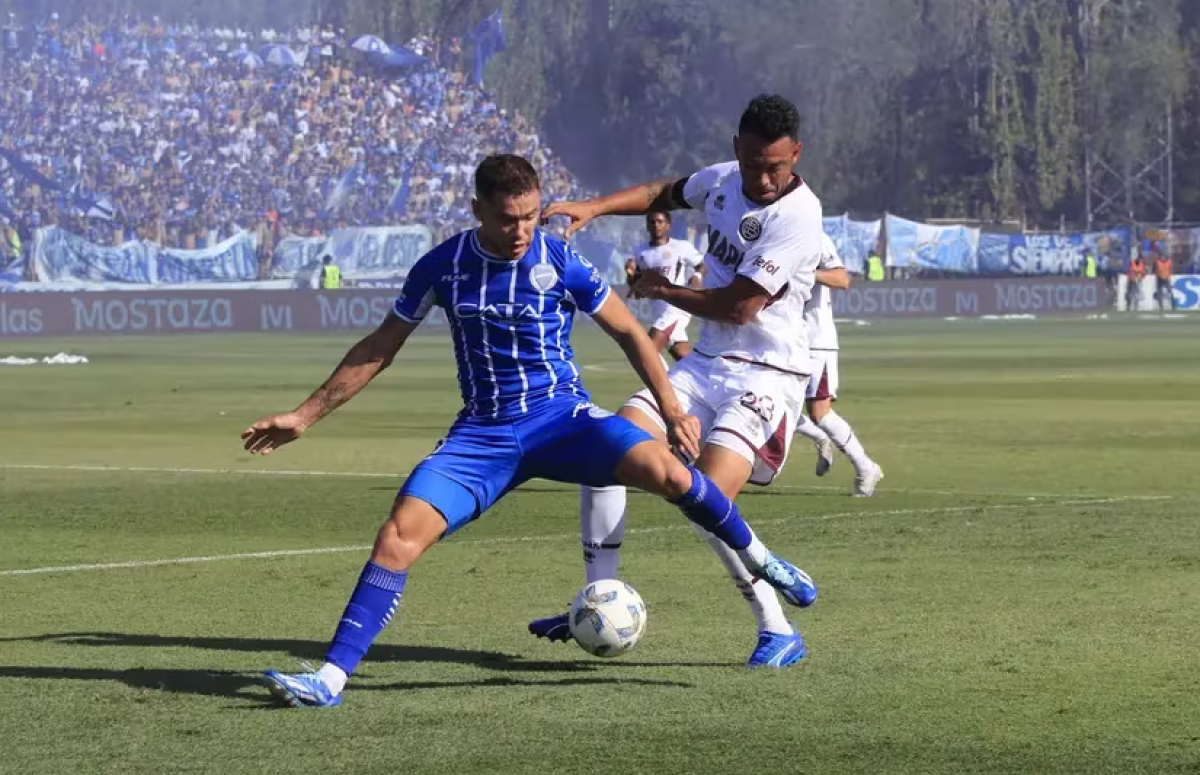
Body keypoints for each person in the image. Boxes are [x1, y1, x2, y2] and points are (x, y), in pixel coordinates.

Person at [244, 154, 817, 708]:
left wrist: (672, 409)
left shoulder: (559, 259)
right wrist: (304, 415)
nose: (521, 230)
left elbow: (631, 334)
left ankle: (764, 561)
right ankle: (330, 678)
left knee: (669, 471)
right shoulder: (441, 267)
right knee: (397, 536)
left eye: (529, 215)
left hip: (563, 421)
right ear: (477, 209)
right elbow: (379, 348)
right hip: (482, 437)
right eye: (506, 218)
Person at [529, 94, 824, 668]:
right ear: (736, 149)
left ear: (796, 155)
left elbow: (740, 308)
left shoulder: (798, 216)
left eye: (777, 167)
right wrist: (595, 206)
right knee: (605, 450)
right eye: (754, 164)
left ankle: (777, 627)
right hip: (703, 365)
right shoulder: (721, 179)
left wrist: (660, 290)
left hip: (768, 374)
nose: (764, 178)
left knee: (705, 501)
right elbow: (665, 191)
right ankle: (597, 599)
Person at [792, 235, 884, 495]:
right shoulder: (775, 236)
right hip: (785, 338)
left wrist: (803, 271)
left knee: (820, 413)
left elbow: (841, 279)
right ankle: (820, 439)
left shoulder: (816, 238)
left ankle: (866, 468)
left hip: (815, 341)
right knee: (775, 404)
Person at [626, 211, 705, 361]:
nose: (656, 225)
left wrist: (697, 276)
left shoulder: (680, 246)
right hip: (657, 310)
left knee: (646, 351)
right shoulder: (640, 252)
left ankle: (660, 385)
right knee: (683, 357)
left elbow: (701, 264)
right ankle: (706, 381)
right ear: (647, 226)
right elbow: (637, 290)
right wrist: (630, 274)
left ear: (668, 225)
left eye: (660, 221)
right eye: (652, 222)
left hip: (677, 307)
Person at [1154, 248, 1174, 312]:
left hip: (1166, 279)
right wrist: (1158, 275)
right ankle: (1161, 307)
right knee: (1159, 293)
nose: (1162, 257)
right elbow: (1155, 270)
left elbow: (1171, 270)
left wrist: (1168, 275)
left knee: (1170, 292)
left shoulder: (1169, 262)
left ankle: (1173, 306)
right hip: (1159, 279)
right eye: (1161, 255)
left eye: (1163, 256)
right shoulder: (1157, 262)